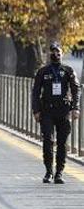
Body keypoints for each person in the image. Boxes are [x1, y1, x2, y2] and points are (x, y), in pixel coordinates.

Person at [32, 42, 80, 184]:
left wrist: (75, 107)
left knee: (62, 143)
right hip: (47, 110)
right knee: (48, 140)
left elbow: (76, 90)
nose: (56, 54)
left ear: (62, 54)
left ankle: (59, 172)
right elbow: (35, 92)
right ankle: (48, 171)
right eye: (53, 51)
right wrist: (36, 110)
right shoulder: (43, 71)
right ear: (49, 54)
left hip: (63, 110)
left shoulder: (68, 70)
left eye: (58, 52)